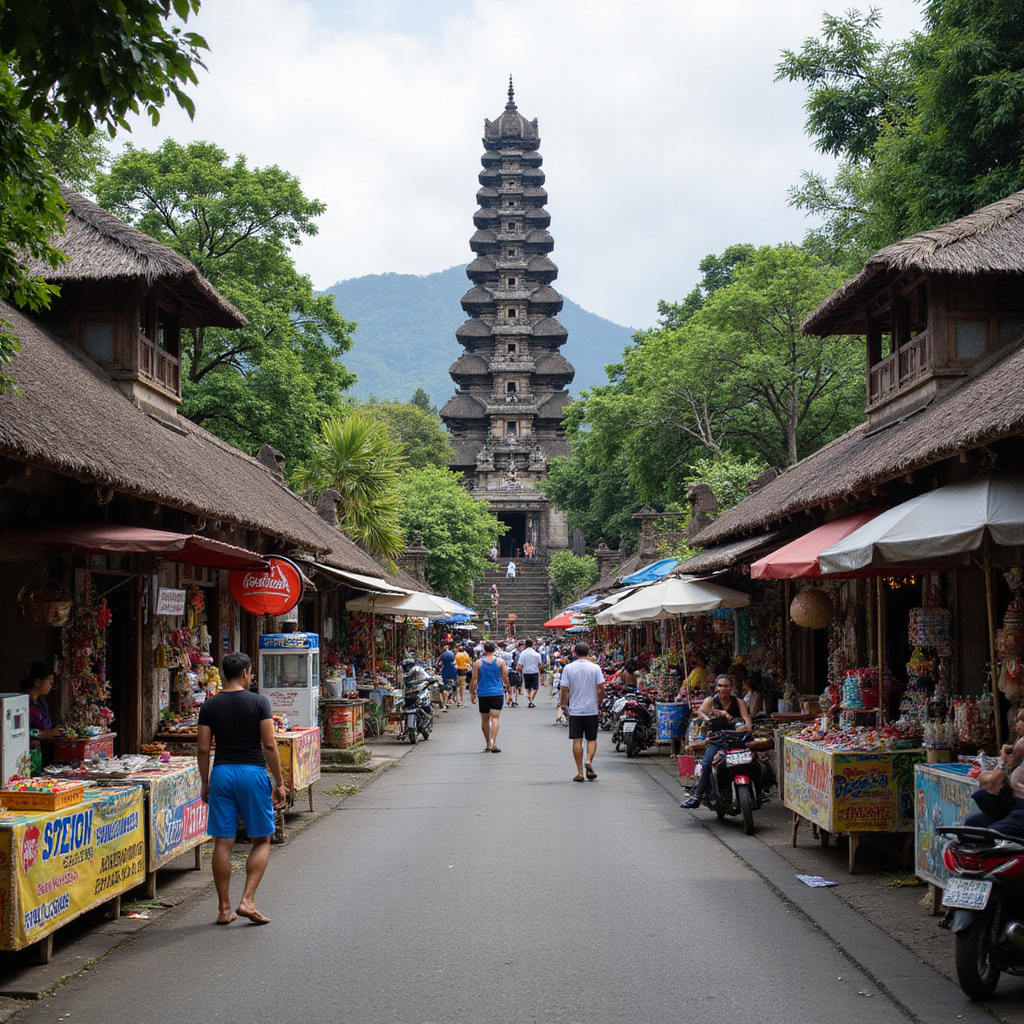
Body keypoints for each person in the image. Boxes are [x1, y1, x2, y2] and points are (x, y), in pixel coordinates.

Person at [197, 652, 287, 925]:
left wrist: (205, 781)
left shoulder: (209, 706)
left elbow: (202, 748)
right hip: (252, 773)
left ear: (225, 673)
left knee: (223, 842)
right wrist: (280, 783)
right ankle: (246, 900)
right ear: (246, 672)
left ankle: (224, 908)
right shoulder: (259, 702)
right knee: (261, 838)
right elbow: (269, 745)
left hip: (222, 773)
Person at [680, 673, 753, 809]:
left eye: (726, 686)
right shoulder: (711, 701)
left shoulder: (738, 702)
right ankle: (696, 796)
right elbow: (699, 712)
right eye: (720, 686)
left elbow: (746, 717)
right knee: (707, 763)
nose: (723, 688)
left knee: (753, 760)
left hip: (736, 739)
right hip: (717, 739)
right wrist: (710, 718)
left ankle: (758, 792)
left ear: (731, 687)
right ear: (716, 687)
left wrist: (748, 727)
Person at [964, 707, 1024, 837]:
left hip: (1021, 810)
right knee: (972, 823)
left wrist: (1003, 761)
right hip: (1014, 804)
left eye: (1021, 721)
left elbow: (996, 776)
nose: (1017, 725)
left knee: (992, 832)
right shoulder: (1020, 742)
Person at [559, 642, 606, 782]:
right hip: (591, 709)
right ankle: (589, 760)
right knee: (591, 739)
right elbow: (601, 687)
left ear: (575, 653)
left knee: (577, 740)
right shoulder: (595, 668)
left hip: (575, 710)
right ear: (588, 652)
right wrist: (601, 699)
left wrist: (563, 704)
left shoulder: (568, 668)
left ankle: (579, 772)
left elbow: (564, 689)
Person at [470, 640, 509, 753]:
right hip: (497, 692)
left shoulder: (478, 663)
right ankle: (493, 742)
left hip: (483, 693)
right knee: (495, 719)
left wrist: (473, 692)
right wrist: (508, 686)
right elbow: (504, 676)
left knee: (485, 719)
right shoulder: (500, 662)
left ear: (484, 650)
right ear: (494, 649)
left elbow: (474, 679)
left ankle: (488, 743)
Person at [518, 639, 543, 708]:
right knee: (535, 687)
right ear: (532, 645)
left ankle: (530, 699)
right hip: (534, 671)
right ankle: (531, 699)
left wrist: (519, 670)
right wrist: (540, 673)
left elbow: (520, 664)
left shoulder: (523, 653)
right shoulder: (536, 654)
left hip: (526, 671)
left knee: (527, 687)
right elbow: (540, 665)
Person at [437, 643, 457, 710]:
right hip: (451, 678)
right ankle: (450, 699)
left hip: (445, 677)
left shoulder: (443, 667)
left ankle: (445, 702)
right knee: (452, 688)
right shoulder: (453, 667)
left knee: (444, 689)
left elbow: (438, 665)